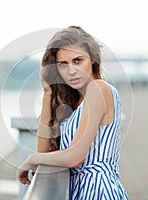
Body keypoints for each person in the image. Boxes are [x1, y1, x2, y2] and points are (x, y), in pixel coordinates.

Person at [18, 26, 129, 200]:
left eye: (78, 60)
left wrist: (32, 158)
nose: (71, 71)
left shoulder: (98, 88)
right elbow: (45, 152)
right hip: (79, 192)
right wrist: (48, 94)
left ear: (92, 59)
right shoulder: (76, 104)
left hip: (99, 191)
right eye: (63, 64)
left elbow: (75, 158)